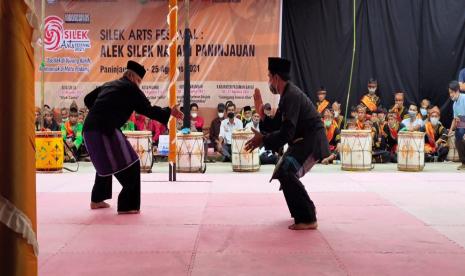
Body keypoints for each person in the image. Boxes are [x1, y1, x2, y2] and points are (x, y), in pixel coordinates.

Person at [83, 60, 183, 214]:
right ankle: (127, 205)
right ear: (136, 79)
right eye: (140, 82)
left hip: (89, 129)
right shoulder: (131, 88)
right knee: (132, 164)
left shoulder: (110, 84)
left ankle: (97, 199)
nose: (139, 84)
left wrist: (102, 110)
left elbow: (88, 100)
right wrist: (170, 112)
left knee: (105, 162)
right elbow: (148, 109)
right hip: (104, 130)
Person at [245, 57, 330, 230]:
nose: (269, 81)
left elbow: (286, 133)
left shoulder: (291, 95)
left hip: (312, 141)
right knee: (282, 171)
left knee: (286, 171)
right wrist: (261, 113)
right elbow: (276, 124)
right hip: (303, 140)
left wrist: (263, 139)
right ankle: (304, 212)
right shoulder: (286, 95)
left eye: (269, 77)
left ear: (276, 78)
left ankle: (307, 217)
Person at [448, 81, 465, 170]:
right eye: (449, 93)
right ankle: (464, 163)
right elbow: (455, 119)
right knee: (457, 137)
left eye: (452, 92)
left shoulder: (464, 98)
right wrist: (450, 131)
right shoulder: (454, 104)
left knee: (462, 134)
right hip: (462, 124)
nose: (450, 95)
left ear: (457, 90)